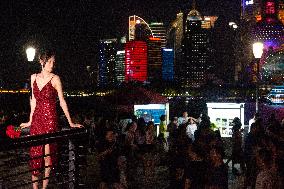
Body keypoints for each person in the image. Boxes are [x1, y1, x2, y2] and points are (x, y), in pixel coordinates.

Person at [20, 50, 82, 189]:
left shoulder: (55, 79)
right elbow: (33, 101)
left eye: (53, 62)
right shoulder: (33, 77)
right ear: (41, 62)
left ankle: (44, 188)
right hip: (37, 120)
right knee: (35, 156)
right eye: (49, 62)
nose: (52, 64)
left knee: (48, 158)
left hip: (50, 120)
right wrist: (30, 120)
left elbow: (62, 101)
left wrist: (70, 122)